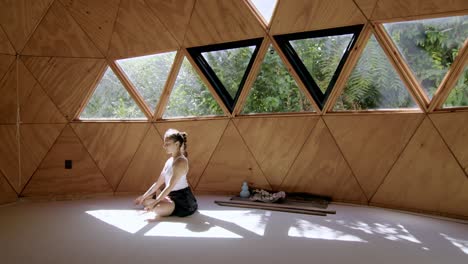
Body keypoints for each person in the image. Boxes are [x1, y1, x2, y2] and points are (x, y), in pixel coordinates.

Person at [134, 129, 198, 219]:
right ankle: (161, 200)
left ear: (177, 144)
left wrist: (154, 203)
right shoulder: (169, 161)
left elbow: (169, 186)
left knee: (158, 209)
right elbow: (158, 183)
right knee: (144, 201)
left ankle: (161, 202)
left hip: (182, 199)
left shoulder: (181, 162)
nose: (164, 146)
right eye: (164, 143)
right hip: (169, 194)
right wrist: (143, 196)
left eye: (167, 144)